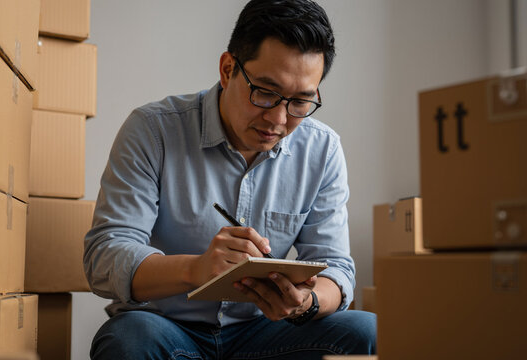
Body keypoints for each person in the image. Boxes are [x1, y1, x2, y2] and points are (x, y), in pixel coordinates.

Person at [84, 0, 376, 358]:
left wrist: (307, 303)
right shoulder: (153, 130)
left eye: (300, 101)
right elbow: (105, 256)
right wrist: (197, 269)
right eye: (266, 93)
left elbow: (337, 267)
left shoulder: (322, 149)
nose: (279, 120)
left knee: (368, 332)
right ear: (227, 69)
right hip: (167, 327)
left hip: (266, 331)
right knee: (128, 341)